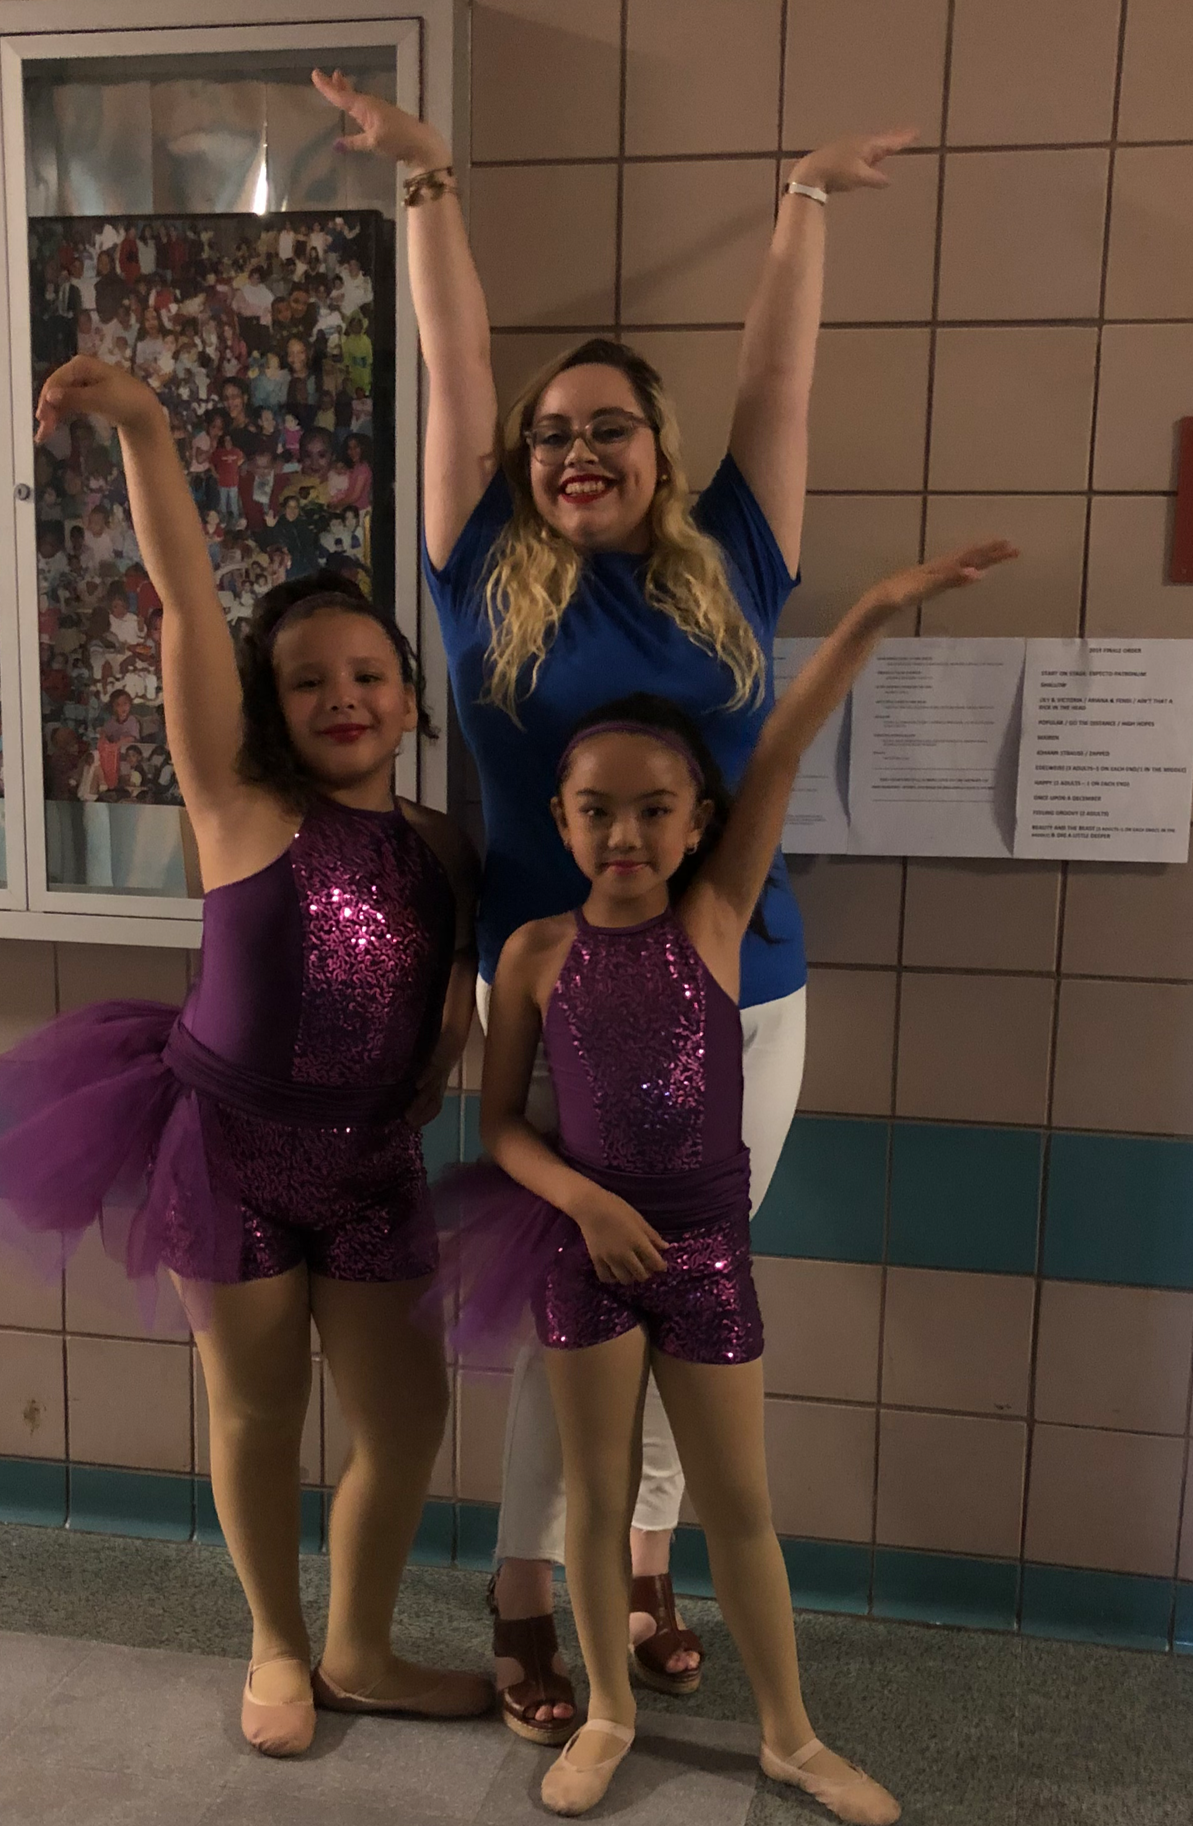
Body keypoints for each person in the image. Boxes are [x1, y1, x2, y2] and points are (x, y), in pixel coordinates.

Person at [312, 65, 916, 1739]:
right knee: (570, 1278)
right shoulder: (472, 565)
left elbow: (777, 379)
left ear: (659, 451)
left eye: (611, 426)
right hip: (542, 981)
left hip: (746, 988)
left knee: (692, 1270)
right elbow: (454, 358)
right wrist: (428, 179)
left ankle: (641, 1562)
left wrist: (798, 204)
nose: (576, 447)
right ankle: (522, 1580)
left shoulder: (735, 555)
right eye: (553, 430)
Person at [0, 355, 490, 1755]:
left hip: (372, 1161)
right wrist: (145, 427)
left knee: (408, 1409)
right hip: (232, 1147)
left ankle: (362, 1643)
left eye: (369, 673)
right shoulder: (240, 806)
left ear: (412, 700)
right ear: (269, 706)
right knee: (257, 1408)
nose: (344, 696)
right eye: (309, 681)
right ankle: (277, 1643)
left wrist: (445, 1046)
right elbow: (188, 600)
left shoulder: (440, 844)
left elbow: (443, 974)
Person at [460, 538, 1017, 1816]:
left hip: (706, 1251)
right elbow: (497, 1126)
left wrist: (875, 603)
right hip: (588, 1248)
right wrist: (585, 1202)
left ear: (699, 820)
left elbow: (782, 742)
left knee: (739, 1505)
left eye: (656, 805)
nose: (624, 829)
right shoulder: (536, 953)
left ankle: (788, 1731)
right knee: (594, 1495)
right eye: (595, 806)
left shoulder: (713, 919)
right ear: (556, 818)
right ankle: (605, 1706)